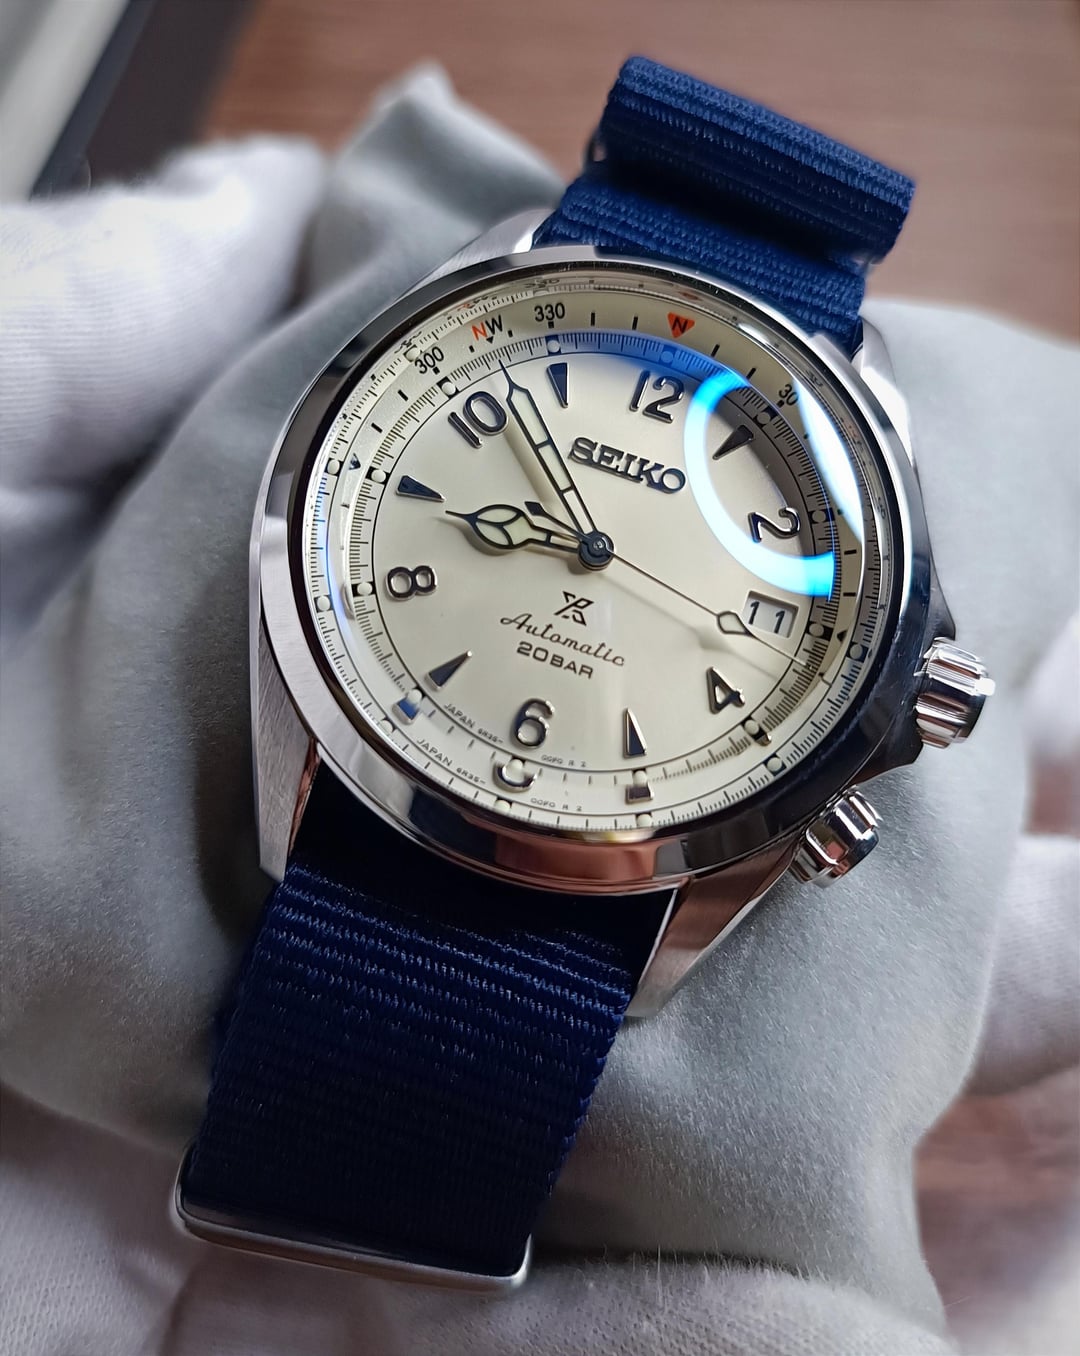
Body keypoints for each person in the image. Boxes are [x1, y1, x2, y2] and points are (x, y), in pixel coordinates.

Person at [2, 67, 1077, 1356]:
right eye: (585, 543)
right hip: (356, 800)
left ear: (909, 689)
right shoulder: (497, 303)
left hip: (575, 880)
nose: (595, 557)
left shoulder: (855, 488)